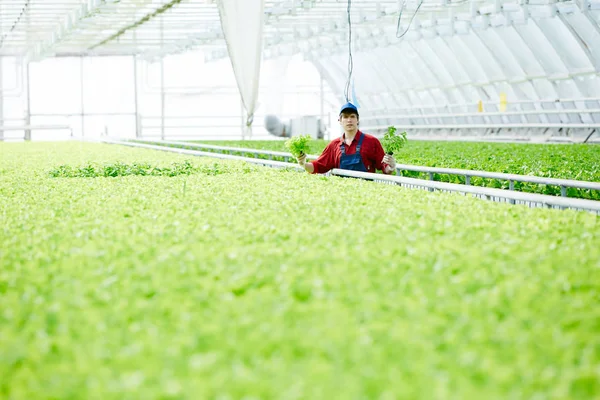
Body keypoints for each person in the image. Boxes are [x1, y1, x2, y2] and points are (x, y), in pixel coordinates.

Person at [297, 102, 396, 175]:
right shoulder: (334, 145)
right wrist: (303, 163)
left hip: (366, 194)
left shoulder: (371, 142)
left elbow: (384, 169)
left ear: (357, 120)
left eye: (352, 116)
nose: (349, 120)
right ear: (340, 121)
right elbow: (318, 166)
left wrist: (391, 166)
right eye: (345, 117)